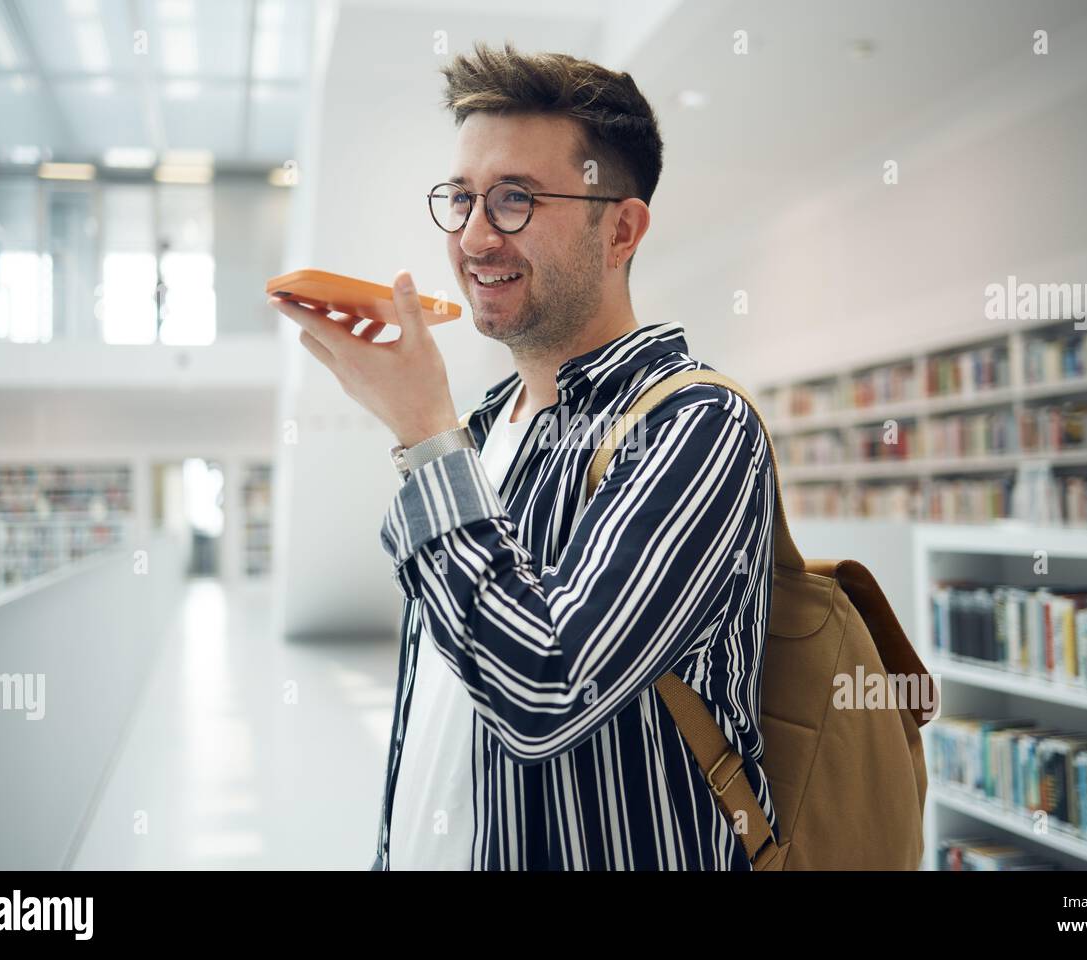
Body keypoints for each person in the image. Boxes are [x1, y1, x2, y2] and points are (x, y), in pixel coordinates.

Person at [273, 40, 776, 870]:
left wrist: (425, 436)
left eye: (513, 199)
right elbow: (446, 691)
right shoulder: (485, 426)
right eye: (461, 199)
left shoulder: (697, 425)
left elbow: (544, 687)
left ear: (620, 227)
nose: (473, 237)